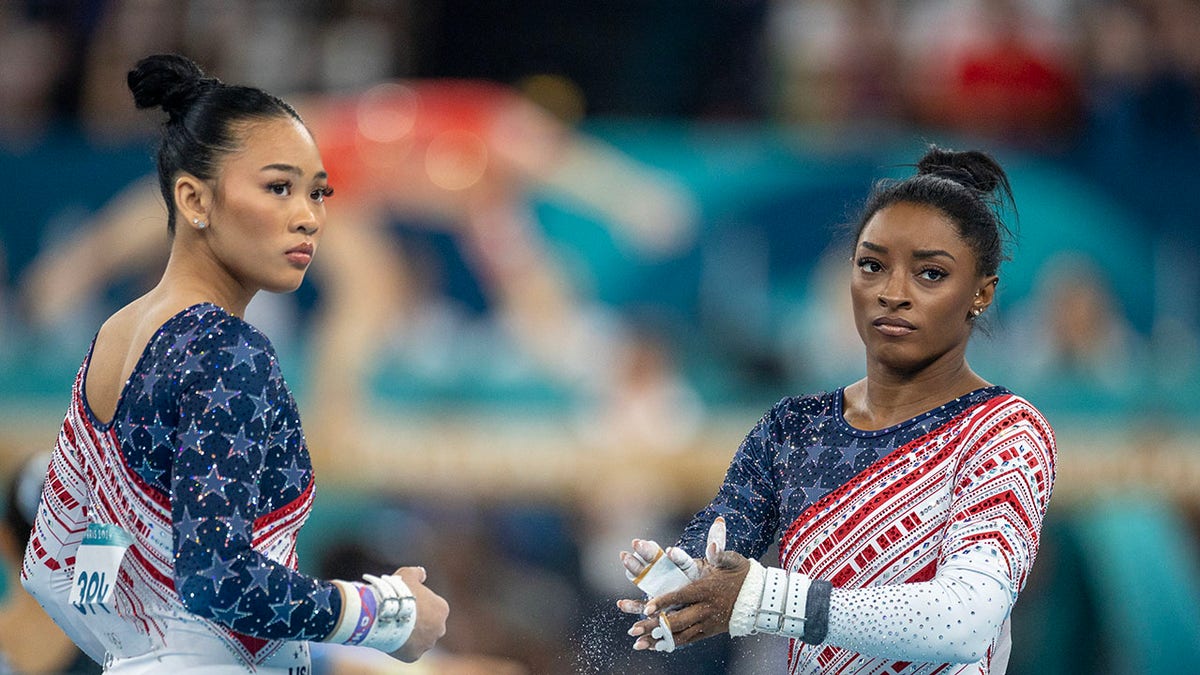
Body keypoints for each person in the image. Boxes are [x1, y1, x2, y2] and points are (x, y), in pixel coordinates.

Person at [20, 54, 449, 674]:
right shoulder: (227, 352)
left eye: (318, 192)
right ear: (194, 198)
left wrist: (140, 652)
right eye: (278, 188)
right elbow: (217, 578)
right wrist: (390, 612)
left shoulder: (117, 334)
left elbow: (64, 569)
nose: (309, 216)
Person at [617, 146, 1057, 674]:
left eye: (931, 274)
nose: (893, 293)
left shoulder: (1003, 431)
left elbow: (963, 620)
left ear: (981, 292)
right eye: (872, 265)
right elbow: (719, 553)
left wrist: (765, 598)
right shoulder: (794, 428)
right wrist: (680, 587)